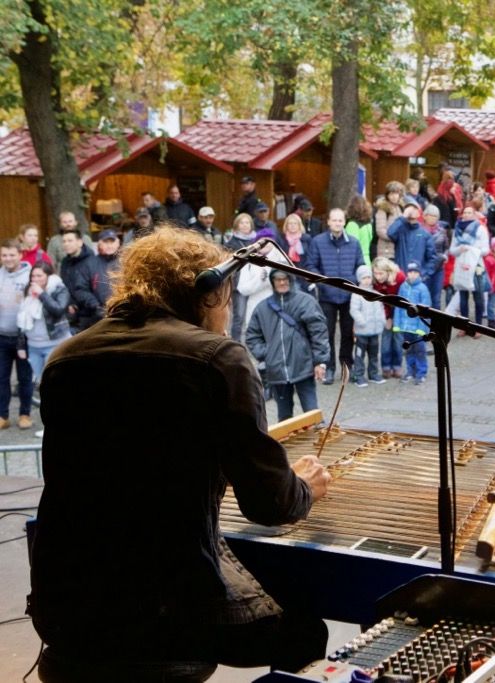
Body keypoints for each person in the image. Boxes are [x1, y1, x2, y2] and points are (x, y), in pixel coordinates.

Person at [29, 228, 332, 679]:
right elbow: (270, 505)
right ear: (209, 295)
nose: (228, 316)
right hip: (168, 615)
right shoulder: (218, 358)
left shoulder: (65, 357)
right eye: (227, 302)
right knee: (305, 631)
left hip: (64, 605)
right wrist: (303, 487)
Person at [246, 268, 329, 418]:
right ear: (272, 282)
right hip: (277, 371)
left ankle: (316, 433)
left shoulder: (306, 302)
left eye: (285, 279)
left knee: (312, 414)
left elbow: (319, 332)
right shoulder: (262, 308)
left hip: (303, 366)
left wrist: (320, 362)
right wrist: (267, 354)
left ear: (291, 280)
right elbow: (252, 336)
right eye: (278, 279)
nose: (282, 282)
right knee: (284, 418)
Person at [307, 208, 365, 384]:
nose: (338, 223)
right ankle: (329, 367)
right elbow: (311, 266)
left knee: (347, 333)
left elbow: (360, 265)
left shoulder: (354, 243)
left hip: (348, 296)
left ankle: (347, 366)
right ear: (328, 222)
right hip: (327, 296)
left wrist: (354, 282)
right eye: (334, 220)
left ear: (344, 222)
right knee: (327, 333)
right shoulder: (318, 242)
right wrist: (324, 283)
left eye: (340, 220)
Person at [16, 261, 71, 386]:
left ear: (48, 276)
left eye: (39, 275)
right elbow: (21, 318)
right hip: (33, 346)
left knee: (53, 382)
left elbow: (58, 310)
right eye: (33, 276)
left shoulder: (59, 289)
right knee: (41, 383)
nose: (35, 279)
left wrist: (41, 294)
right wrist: (20, 346)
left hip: (54, 344)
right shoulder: (28, 290)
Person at [0, 240, 33, 430]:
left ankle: (24, 414)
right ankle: (3, 416)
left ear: (20, 255)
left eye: (12, 255)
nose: (8, 259)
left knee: (24, 378)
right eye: (4, 255)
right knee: (1, 378)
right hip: (1, 336)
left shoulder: (30, 276)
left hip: (23, 338)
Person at [393, 261, 431, 385]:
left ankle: (421, 373)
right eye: (410, 272)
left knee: (420, 351)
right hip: (406, 327)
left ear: (419, 273)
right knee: (408, 350)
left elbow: (426, 310)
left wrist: (422, 327)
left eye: (415, 272)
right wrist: (397, 324)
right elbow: (398, 306)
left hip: (417, 328)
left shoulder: (423, 288)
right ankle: (410, 371)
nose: (412, 274)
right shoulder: (403, 287)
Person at [59, 229, 104, 333]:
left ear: (79, 242)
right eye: (64, 241)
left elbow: (96, 287)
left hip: (91, 313)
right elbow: (65, 285)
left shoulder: (91, 260)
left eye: (70, 241)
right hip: (72, 313)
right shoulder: (65, 262)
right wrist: (70, 303)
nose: (66, 244)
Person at [349, 265, 387, 387]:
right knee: (360, 355)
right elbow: (354, 310)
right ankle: (359, 375)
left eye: (368, 277)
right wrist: (362, 322)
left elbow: (381, 309)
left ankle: (373, 374)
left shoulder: (376, 294)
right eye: (364, 278)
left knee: (374, 354)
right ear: (359, 279)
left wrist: (382, 321)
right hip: (362, 332)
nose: (367, 280)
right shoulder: (356, 295)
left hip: (375, 331)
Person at [225, 212, 259, 341]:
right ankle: (236, 343)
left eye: (247, 222)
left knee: (255, 314)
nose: (245, 225)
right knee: (239, 316)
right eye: (242, 223)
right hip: (239, 283)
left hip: (256, 282)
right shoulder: (231, 243)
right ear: (236, 225)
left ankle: (254, 342)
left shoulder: (257, 241)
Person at [372, 257, 406, 379]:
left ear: (388, 271)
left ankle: (397, 366)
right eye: (375, 273)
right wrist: (387, 317)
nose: (378, 277)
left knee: (398, 340)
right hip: (385, 311)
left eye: (381, 273)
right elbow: (380, 300)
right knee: (385, 340)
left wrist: (395, 317)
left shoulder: (400, 277)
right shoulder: (375, 281)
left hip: (400, 311)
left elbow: (404, 299)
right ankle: (386, 366)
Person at [389, 201, 437, 281]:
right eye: (408, 208)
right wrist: (403, 217)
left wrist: (424, 275)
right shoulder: (400, 231)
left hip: (417, 278)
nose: (411, 211)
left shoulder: (425, 234)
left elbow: (432, 258)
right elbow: (390, 233)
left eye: (414, 208)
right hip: (401, 277)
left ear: (419, 213)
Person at [421, 205, 448, 310]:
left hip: (439, 267)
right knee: (425, 296)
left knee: (436, 298)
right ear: (425, 216)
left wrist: (445, 256)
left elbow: (446, 247)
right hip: (425, 267)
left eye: (435, 216)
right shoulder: (420, 230)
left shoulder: (442, 231)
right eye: (430, 215)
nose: (433, 218)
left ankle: (436, 319)